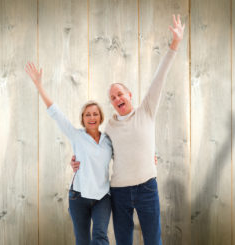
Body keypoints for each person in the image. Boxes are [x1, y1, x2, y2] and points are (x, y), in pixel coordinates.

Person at [71, 14, 184, 245]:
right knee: (123, 241)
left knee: (153, 239)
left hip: (147, 187)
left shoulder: (147, 110)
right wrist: (76, 161)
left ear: (129, 95)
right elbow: (94, 147)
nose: (117, 98)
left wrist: (175, 43)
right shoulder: (109, 125)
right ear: (111, 104)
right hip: (120, 191)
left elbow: (160, 76)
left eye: (120, 94)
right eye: (112, 98)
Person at [25, 64, 112, 245]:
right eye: (87, 114)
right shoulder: (76, 136)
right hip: (78, 197)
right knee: (82, 240)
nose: (91, 117)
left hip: (103, 197)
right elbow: (56, 113)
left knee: (100, 238)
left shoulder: (108, 140)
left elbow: (126, 153)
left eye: (95, 114)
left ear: (100, 117)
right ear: (83, 118)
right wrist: (39, 86)